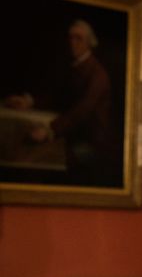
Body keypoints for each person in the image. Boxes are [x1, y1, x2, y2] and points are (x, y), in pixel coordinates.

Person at [4, 19, 120, 186]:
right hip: (71, 134)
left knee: (40, 158)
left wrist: (51, 129)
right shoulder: (73, 67)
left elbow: (82, 110)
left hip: (92, 144)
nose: (72, 42)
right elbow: (57, 97)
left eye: (78, 38)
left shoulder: (98, 75)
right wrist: (29, 102)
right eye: (70, 38)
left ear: (89, 43)